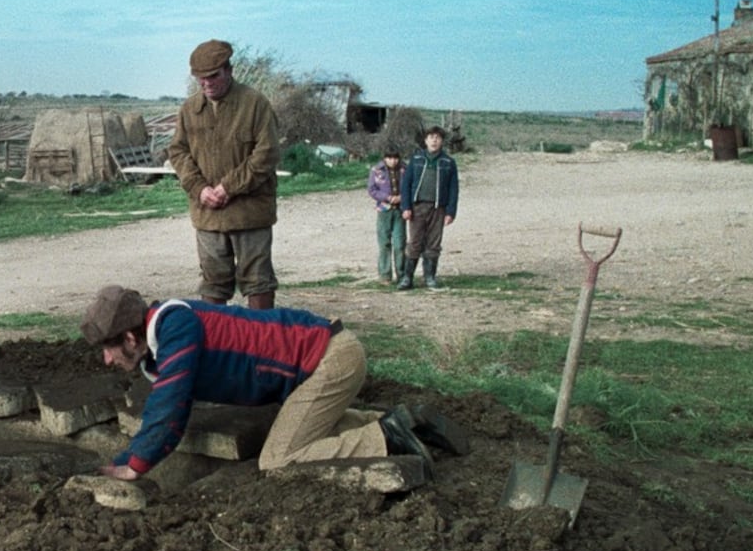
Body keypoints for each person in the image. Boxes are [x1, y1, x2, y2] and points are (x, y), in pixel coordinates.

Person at [81, 285, 465, 479]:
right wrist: (122, 461)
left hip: (330, 360)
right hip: (324, 358)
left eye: (108, 349)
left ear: (130, 338)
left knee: (278, 459)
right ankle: (401, 420)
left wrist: (135, 466)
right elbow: (169, 411)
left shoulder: (174, 326)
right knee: (304, 429)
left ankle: (388, 438)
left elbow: (168, 407)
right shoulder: (162, 342)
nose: (107, 360)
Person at [166, 39, 281, 309]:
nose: (206, 84)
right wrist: (198, 188)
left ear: (229, 70)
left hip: (250, 213)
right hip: (208, 215)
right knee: (213, 283)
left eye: (212, 77)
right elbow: (178, 152)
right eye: (200, 79)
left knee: (258, 281)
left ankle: (261, 342)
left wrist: (229, 187)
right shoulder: (189, 110)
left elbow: (267, 154)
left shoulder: (255, 104)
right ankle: (219, 344)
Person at [398, 125, 461, 290]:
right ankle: (407, 278)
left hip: (438, 208)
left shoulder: (448, 162)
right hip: (417, 207)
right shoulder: (416, 159)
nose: (434, 140)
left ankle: (430, 278)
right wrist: (406, 207)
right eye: (431, 137)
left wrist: (451, 211)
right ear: (425, 140)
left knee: (433, 243)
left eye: (438, 138)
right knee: (415, 242)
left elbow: (454, 188)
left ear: (442, 141)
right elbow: (406, 184)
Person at [367, 148, 407, 283]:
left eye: (395, 158)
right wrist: (388, 198)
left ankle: (402, 274)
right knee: (384, 243)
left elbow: (411, 186)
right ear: (385, 158)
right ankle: (385, 275)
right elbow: (372, 190)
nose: (393, 161)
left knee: (400, 244)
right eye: (390, 158)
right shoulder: (376, 170)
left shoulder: (405, 169)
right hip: (384, 210)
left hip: (400, 210)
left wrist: (402, 197)